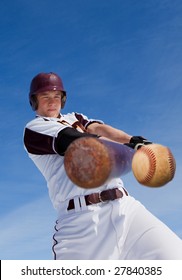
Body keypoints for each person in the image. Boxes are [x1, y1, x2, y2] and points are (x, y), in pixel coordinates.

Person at [23, 72, 182, 260]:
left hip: (125, 208)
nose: (52, 101)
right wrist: (133, 151)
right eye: (45, 96)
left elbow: (98, 129)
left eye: (56, 96)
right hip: (82, 223)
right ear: (35, 100)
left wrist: (134, 140)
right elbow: (83, 143)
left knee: (174, 259)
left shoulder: (75, 118)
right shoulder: (35, 128)